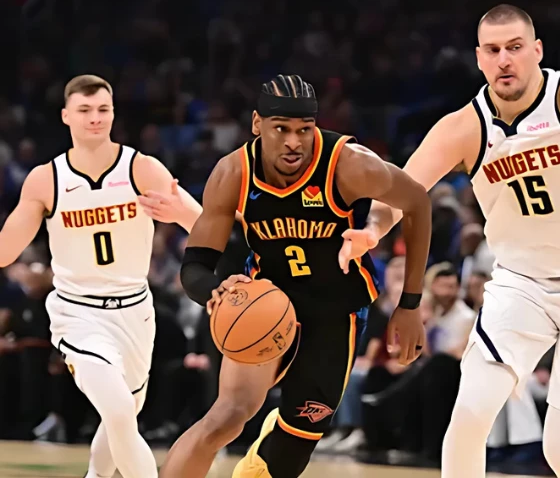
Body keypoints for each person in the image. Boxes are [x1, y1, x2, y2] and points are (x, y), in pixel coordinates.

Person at [339, 4, 560, 478]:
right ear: (479, 58)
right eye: (494, 50)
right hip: (523, 284)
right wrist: (373, 229)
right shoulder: (464, 128)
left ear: (537, 51)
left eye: (515, 48)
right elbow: (401, 190)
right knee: (469, 415)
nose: (505, 60)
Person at [159, 74, 431, 478]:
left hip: (334, 312)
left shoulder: (349, 164)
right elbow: (195, 266)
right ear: (257, 124)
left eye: (304, 129)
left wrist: (409, 305)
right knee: (225, 418)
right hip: (265, 305)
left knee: (291, 451)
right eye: (281, 128)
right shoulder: (233, 172)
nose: (294, 142)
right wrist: (216, 290)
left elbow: (417, 202)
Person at [0, 74, 203, 478]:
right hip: (78, 313)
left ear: (113, 113)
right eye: (84, 110)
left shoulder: (142, 168)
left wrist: (178, 212)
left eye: (103, 109)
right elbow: (6, 250)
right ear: (66, 116)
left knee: (121, 418)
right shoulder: (47, 179)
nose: (95, 118)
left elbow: (203, 225)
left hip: (135, 311)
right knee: (119, 409)